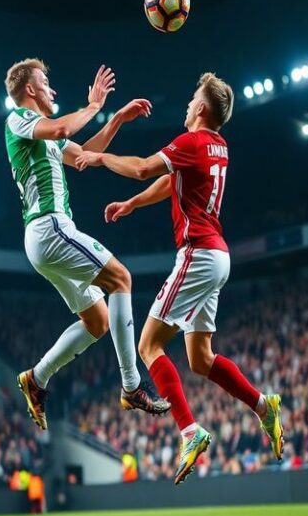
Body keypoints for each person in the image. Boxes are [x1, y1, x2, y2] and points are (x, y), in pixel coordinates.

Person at [76, 72, 284, 485]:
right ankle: (264, 407)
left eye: (193, 98)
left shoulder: (190, 142)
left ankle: (189, 432)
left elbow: (141, 168)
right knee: (200, 359)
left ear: (202, 109)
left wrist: (100, 158)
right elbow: (171, 181)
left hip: (198, 254)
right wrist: (133, 205)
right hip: (218, 256)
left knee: (148, 344)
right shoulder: (219, 146)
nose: (188, 104)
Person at [3, 58, 170, 429]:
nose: (52, 89)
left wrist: (115, 120)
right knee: (121, 279)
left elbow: (83, 157)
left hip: (45, 237)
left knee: (98, 320)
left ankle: (36, 378)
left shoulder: (41, 135)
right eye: (45, 82)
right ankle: (131, 385)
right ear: (29, 90)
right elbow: (63, 125)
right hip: (50, 227)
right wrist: (94, 106)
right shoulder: (19, 119)